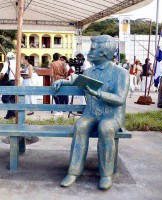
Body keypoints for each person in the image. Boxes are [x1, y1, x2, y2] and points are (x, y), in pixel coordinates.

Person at [53, 35, 129, 190]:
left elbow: (120, 99)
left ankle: (106, 174)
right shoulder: (89, 72)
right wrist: (62, 81)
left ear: (105, 53)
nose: (89, 53)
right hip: (92, 112)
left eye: (93, 49)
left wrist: (98, 94)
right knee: (80, 126)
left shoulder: (121, 73)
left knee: (106, 128)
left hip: (112, 114)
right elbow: (77, 80)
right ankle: (74, 171)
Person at [0, 52, 16, 119]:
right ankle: (10, 115)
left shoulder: (7, 63)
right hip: (16, 82)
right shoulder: (17, 63)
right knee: (12, 99)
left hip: (10, 82)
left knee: (5, 98)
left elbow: (2, 73)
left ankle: (13, 112)